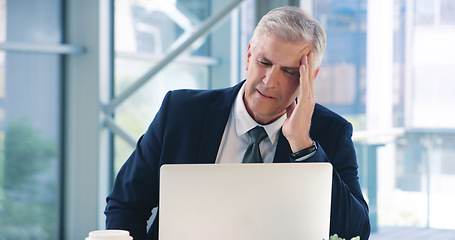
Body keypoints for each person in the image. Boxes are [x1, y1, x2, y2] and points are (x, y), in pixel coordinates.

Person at [105, 6, 370, 240]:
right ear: (248, 56)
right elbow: (125, 204)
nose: (269, 81)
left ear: (310, 77)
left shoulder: (331, 132)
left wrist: (302, 146)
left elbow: (355, 231)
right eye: (263, 62)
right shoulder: (181, 113)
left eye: (289, 71)